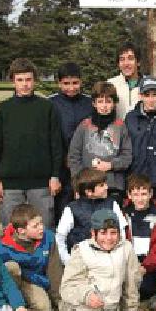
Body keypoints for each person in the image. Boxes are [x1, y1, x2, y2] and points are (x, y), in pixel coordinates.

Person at [15, 209, 143, 311]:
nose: (108, 238)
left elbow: (131, 281)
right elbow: (67, 287)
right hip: (78, 303)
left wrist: (131, 309)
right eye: (103, 233)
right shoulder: (82, 251)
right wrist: (87, 296)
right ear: (93, 233)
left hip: (107, 309)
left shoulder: (126, 248)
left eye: (113, 233)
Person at [0, 58, 63, 228]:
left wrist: (55, 175)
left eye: (28, 79)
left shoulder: (47, 107)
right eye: (20, 80)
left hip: (41, 183)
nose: (24, 84)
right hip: (10, 184)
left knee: (43, 230)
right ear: (13, 81)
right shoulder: (3, 108)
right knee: (11, 231)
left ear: (34, 80)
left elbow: (56, 144)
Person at [67, 81, 132, 199]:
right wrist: (78, 185)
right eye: (100, 101)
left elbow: (127, 157)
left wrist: (111, 165)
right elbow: (73, 157)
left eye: (108, 101)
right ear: (94, 103)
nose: (104, 106)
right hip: (88, 187)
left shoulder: (121, 126)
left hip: (112, 186)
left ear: (114, 103)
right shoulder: (84, 126)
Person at [125, 76, 156, 222]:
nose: (151, 99)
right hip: (138, 178)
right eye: (147, 95)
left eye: (154, 95)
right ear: (140, 96)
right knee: (139, 219)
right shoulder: (130, 118)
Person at [49, 63, 95, 221]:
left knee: (86, 206)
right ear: (59, 83)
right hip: (60, 167)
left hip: (85, 164)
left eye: (75, 83)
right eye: (66, 84)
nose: (71, 87)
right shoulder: (51, 104)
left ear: (81, 82)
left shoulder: (90, 103)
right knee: (62, 210)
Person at [54, 168, 128, 265]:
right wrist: (67, 261)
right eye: (101, 185)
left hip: (108, 260)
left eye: (105, 183)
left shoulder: (112, 204)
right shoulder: (71, 208)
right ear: (88, 191)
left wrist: (118, 256)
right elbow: (60, 237)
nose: (106, 187)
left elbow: (122, 232)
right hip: (81, 262)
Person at [0, 204, 58, 311]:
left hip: (37, 280)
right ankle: (8, 306)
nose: (41, 228)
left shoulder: (49, 237)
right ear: (21, 231)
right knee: (10, 267)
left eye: (41, 223)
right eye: (36, 226)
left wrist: (58, 299)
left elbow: (54, 269)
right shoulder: (3, 246)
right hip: (15, 281)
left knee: (44, 309)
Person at [120, 173, 156, 307]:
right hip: (129, 260)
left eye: (144, 194)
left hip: (150, 263)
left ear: (150, 194)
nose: (140, 199)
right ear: (129, 195)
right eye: (136, 195)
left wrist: (145, 267)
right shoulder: (122, 212)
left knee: (146, 288)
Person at [107, 42, 156, 119]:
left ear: (138, 62)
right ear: (118, 64)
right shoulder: (111, 84)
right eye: (122, 59)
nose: (126, 63)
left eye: (130, 58)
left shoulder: (151, 85)